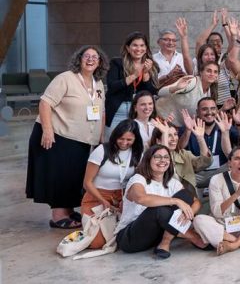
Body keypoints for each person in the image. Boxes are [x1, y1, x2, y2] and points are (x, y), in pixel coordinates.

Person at [27, 45, 109, 230]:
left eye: (94, 57)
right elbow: (45, 103)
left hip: (83, 139)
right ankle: (58, 216)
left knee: (73, 176)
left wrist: (100, 137)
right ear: (79, 59)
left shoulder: (98, 84)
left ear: (100, 62)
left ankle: (69, 210)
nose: (90, 59)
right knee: (60, 175)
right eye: (86, 56)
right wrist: (48, 130)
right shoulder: (65, 78)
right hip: (59, 135)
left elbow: (101, 111)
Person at [115, 145, 208, 258]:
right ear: (148, 160)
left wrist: (187, 214)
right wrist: (175, 201)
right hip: (131, 237)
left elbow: (196, 202)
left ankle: (165, 242)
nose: (162, 160)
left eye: (166, 157)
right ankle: (193, 237)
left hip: (156, 235)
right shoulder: (138, 179)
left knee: (185, 195)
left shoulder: (173, 183)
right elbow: (141, 198)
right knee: (158, 210)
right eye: (157, 157)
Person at [81, 120, 143, 248]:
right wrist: (103, 201)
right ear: (115, 136)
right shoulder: (102, 150)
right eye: (121, 138)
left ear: (135, 139)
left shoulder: (137, 153)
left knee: (123, 237)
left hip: (122, 198)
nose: (124, 143)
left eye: (129, 140)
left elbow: (138, 180)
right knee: (96, 242)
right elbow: (87, 183)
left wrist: (126, 200)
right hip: (96, 197)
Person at [105, 32, 159, 130]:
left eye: (142, 45)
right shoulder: (117, 63)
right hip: (118, 111)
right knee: (114, 139)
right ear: (127, 48)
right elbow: (112, 87)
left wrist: (145, 74)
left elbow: (151, 93)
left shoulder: (152, 66)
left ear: (146, 48)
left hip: (140, 112)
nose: (138, 49)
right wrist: (134, 76)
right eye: (135, 45)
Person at [152, 113, 211, 199]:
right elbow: (164, 168)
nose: (174, 139)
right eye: (168, 135)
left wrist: (200, 138)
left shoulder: (184, 154)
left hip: (190, 201)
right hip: (166, 201)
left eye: (175, 134)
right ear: (158, 140)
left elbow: (205, 163)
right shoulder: (152, 158)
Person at [185, 98, 238, 187]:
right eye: (204, 109)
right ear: (197, 112)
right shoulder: (189, 127)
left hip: (221, 171)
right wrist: (188, 130)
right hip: (197, 173)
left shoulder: (224, 125)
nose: (209, 112)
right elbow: (179, 148)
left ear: (217, 110)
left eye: (213, 108)